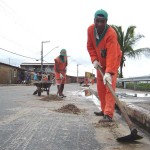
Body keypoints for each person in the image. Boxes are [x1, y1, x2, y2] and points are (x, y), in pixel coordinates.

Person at [87, 9, 122, 122]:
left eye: (103, 21)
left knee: (109, 88)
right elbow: (90, 46)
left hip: (113, 61)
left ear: (106, 21)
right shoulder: (90, 30)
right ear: (94, 20)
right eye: (98, 21)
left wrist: (109, 72)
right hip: (100, 63)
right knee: (101, 88)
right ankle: (103, 110)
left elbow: (112, 54)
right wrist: (94, 60)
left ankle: (108, 114)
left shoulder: (111, 33)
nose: (100, 24)